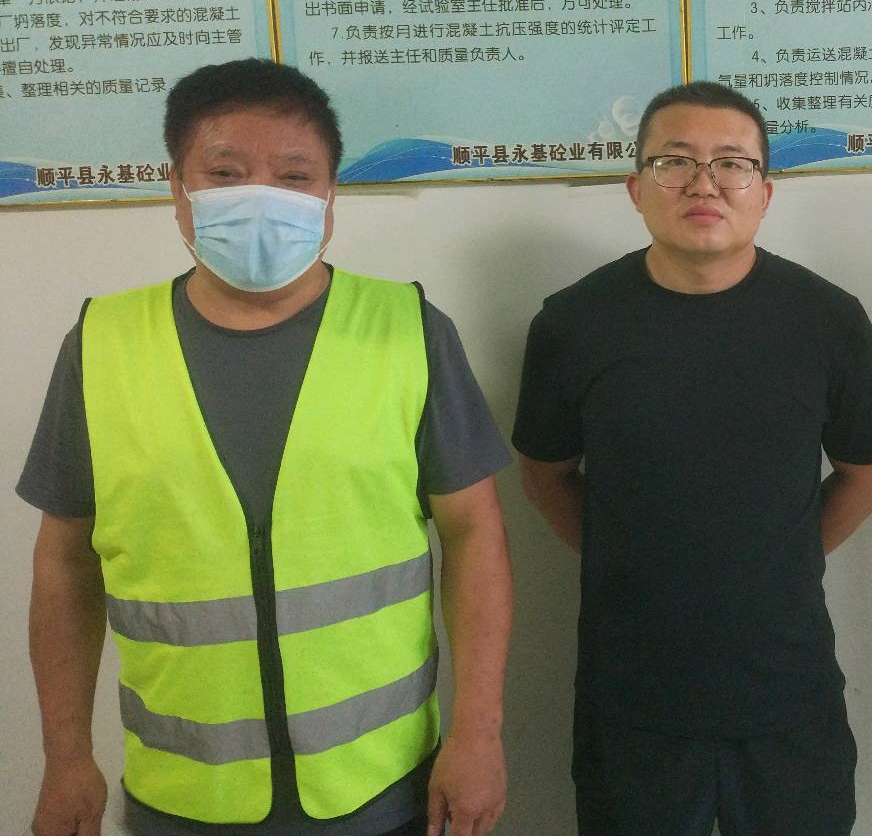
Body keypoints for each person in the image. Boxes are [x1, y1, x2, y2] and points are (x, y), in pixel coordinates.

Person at [19, 59, 514, 836]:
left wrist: (478, 734)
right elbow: (64, 565)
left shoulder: (409, 332)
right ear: (178, 188)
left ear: (330, 193)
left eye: (293, 175)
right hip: (184, 796)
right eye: (225, 173)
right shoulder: (103, 344)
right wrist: (66, 756)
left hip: (381, 787)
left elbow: (476, 534)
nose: (261, 197)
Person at [512, 81, 872, 836]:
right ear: (636, 188)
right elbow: (545, 473)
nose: (704, 184)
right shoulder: (573, 323)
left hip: (786, 688)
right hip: (632, 695)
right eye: (675, 162)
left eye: (732, 163)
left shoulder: (828, 320)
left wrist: (779, 560)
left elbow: (867, 472)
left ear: (765, 191)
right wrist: (631, 560)